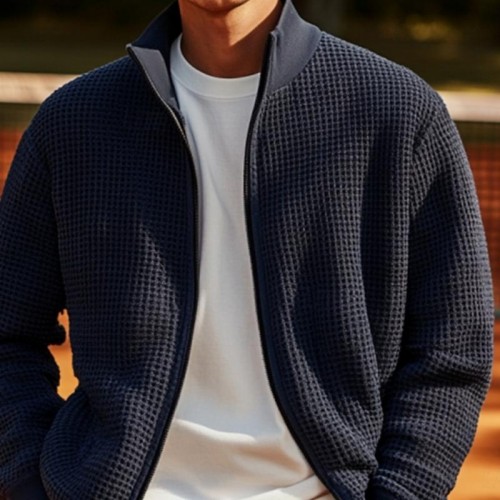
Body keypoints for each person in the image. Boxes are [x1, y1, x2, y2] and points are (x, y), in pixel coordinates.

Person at [0, 0, 495, 498]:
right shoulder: (73, 122)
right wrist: (25, 481)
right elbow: (8, 332)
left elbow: (453, 345)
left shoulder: (397, 109)